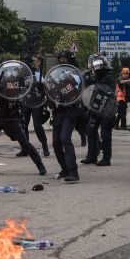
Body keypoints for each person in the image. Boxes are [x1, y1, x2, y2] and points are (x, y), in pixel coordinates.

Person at [0, 62, 46, 176]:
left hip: (12, 117)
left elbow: (29, 88)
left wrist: (39, 85)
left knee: (25, 143)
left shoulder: (18, 83)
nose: (10, 76)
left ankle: (40, 166)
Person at [49, 50, 82, 183]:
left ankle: (73, 171)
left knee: (65, 139)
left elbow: (76, 88)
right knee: (56, 143)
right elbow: (51, 91)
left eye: (65, 59)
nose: (62, 61)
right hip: (58, 111)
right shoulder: (56, 74)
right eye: (60, 59)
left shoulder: (76, 74)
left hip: (70, 110)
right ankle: (65, 169)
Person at [81, 54, 116, 166]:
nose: (95, 70)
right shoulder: (92, 77)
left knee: (105, 134)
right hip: (95, 109)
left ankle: (106, 158)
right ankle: (92, 156)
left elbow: (108, 91)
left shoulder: (109, 77)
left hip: (107, 110)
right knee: (90, 130)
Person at [20, 55, 50, 156]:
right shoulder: (21, 76)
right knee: (23, 125)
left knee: (37, 126)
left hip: (37, 103)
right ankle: (25, 148)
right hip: (25, 102)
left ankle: (45, 146)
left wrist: (42, 87)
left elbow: (46, 88)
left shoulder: (38, 75)